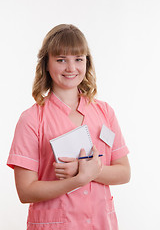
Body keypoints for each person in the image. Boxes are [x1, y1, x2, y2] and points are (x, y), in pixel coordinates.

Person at [7, 24, 131, 230]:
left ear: (87, 63)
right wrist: (77, 179)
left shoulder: (104, 112)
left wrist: (86, 171)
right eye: (61, 59)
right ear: (46, 63)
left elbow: (124, 172)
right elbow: (25, 191)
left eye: (78, 59)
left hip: (101, 223)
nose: (71, 68)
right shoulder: (31, 119)